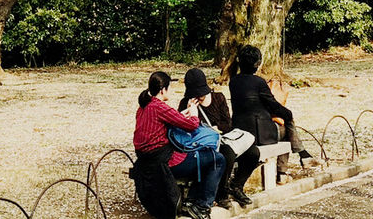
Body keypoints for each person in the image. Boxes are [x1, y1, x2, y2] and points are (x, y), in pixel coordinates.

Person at [134, 70, 225, 219]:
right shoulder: (160, 107)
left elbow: (169, 120)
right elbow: (191, 126)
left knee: (200, 157)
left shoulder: (143, 107)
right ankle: (201, 205)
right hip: (166, 162)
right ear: (163, 90)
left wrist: (183, 114)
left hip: (145, 161)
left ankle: (191, 201)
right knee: (217, 159)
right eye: (169, 87)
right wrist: (194, 114)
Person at [228, 45, 315, 200]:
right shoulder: (259, 83)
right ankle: (290, 164)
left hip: (240, 129)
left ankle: (299, 158)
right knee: (287, 122)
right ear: (258, 63)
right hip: (259, 134)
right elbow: (273, 105)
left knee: (285, 121)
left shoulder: (233, 82)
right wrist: (288, 114)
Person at [178, 68, 243, 210]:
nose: (199, 98)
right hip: (199, 143)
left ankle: (230, 188)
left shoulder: (218, 98)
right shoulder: (186, 103)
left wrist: (215, 128)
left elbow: (228, 124)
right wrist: (190, 113)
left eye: (200, 94)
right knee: (221, 157)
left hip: (219, 137)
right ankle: (218, 194)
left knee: (246, 153)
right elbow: (181, 128)